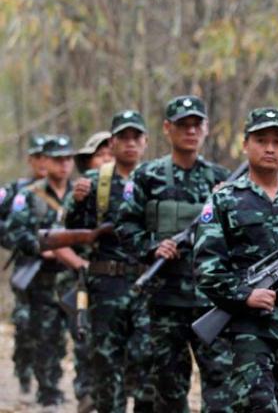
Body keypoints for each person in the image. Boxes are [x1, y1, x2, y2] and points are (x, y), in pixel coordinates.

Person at [195, 107, 278, 412]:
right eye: (261, 140)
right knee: (257, 406)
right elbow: (207, 268)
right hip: (248, 331)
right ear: (245, 144)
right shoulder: (224, 200)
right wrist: (246, 295)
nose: (270, 148)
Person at [116, 96, 233, 412]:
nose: (191, 131)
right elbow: (124, 228)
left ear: (206, 128)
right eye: (183, 124)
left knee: (222, 389)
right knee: (168, 390)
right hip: (165, 303)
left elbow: (239, 237)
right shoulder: (147, 177)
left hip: (211, 302)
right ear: (167, 128)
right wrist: (153, 246)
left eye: (197, 124)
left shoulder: (220, 179)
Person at [65, 110, 154, 412]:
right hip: (107, 284)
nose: (130, 143)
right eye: (123, 138)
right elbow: (71, 229)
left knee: (146, 360)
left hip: (147, 283)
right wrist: (77, 202)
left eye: (136, 137)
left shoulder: (154, 178)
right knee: (105, 361)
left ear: (145, 142)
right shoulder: (94, 181)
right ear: (112, 143)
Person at [6, 135, 89, 406]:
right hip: (42, 279)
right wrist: (40, 248)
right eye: (58, 159)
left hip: (74, 278)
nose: (64, 164)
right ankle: (49, 391)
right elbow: (14, 231)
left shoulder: (81, 193)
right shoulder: (28, 195)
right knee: (46, 337)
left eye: (68, 159)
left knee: (82, 336)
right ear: (46, 161)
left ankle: (85, 390)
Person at [0, 134, 48, 395]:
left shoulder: (65, 188)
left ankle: (47, 380)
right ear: (30, 160)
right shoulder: (15, 191)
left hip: (58, 269)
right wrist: (17, 240)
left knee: (50, 326)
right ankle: (24, 371)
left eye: (47, 156)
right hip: (26, 267)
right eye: (38, 157)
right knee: (25, 322)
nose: (43, 162)